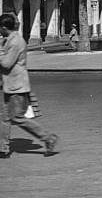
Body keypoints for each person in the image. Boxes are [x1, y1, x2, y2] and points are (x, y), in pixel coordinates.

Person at [0, 13, 58, 158]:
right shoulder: (7, 40)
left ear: (4, 27)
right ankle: (3, 148)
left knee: (17, 118)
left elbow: (6, 63)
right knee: (5, 118)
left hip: (17, 87)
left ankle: (48, 138)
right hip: (9, 85)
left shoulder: (16, 42)